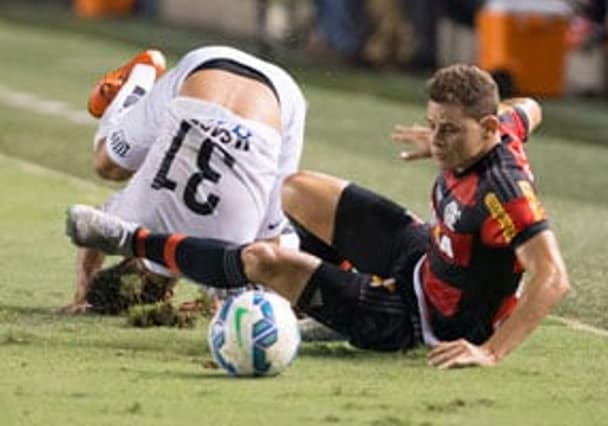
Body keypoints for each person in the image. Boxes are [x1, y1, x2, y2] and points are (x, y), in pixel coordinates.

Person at [66, 64, 570, 369]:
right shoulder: (499, 128)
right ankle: (324, 301)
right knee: (296, 189)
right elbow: (530, 107)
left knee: (266, 261)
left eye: (449, 132)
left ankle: (129, 240)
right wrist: (449, 139)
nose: (436, 141)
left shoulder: (503, 190)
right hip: (422, 259)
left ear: (484, 128)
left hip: (421, 320)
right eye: (432, 125)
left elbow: (552, 279)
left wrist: (491, 352)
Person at [64, 45, 307, 313]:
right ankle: (144, 75)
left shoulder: (225, 267)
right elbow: (90, 227)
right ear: (128, 261)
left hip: (281, 98)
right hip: (208, 66)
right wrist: (82, 295)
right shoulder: (133, 222)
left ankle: (136, 81)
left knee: (268, 234)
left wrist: (217, 302)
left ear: (167, 296)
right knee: (107, 165)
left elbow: (273, 255)